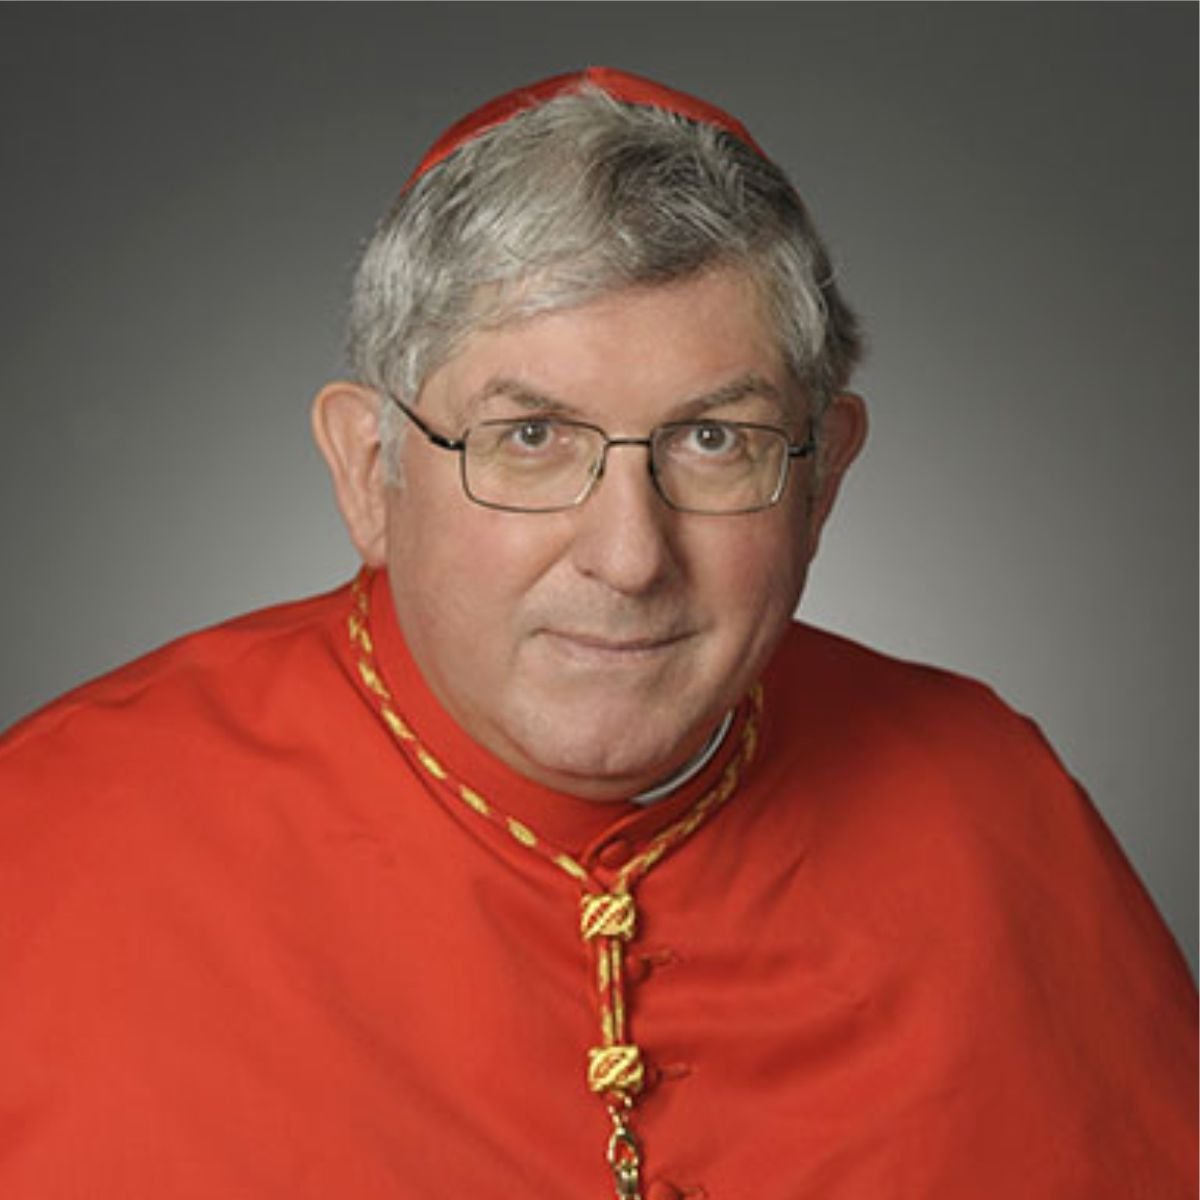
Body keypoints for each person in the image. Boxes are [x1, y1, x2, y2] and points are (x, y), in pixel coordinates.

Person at [0, 67, 1193, 1200]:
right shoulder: (44, 844)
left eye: (714, 440)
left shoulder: (997, 803)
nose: (628, 557)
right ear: (373, 473)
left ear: (822, 479)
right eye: (531, 439)